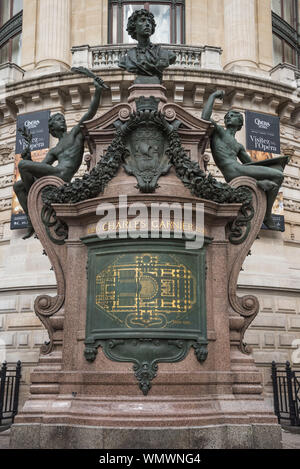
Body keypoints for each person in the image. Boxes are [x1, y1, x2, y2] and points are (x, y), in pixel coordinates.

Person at [14, 75, 106, 239]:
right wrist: (29, 158)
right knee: (19, 186)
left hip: (63, 174)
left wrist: (98, 91)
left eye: (61, 118)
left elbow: (90, 112)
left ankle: (34, 203)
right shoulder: (54, 150)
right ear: (52, 128)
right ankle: (31, 217)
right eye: (57, 119)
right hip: (55, 173)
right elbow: (37, 172)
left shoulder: (75, 133)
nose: (61, 120)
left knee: (23, 166)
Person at [202, 90, 285, 230]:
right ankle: (267, 215)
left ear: (240, 122)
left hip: (240, 169)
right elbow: (205, 117)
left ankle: (259, 186)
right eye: (227, 115)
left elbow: (252, 164)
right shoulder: (219, 132)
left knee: (278, 171)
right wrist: (213, 96)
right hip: (233, 171)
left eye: (233, 115)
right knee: (278, 175)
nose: (229, 116)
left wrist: (278, 162)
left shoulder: (238, 146)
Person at [118, 8, 176, 84]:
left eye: (149, 21)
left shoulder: (164, 54)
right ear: (134, 27)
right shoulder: (127, 59)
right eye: (142, 20)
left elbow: (171, 58)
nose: (148, 24)